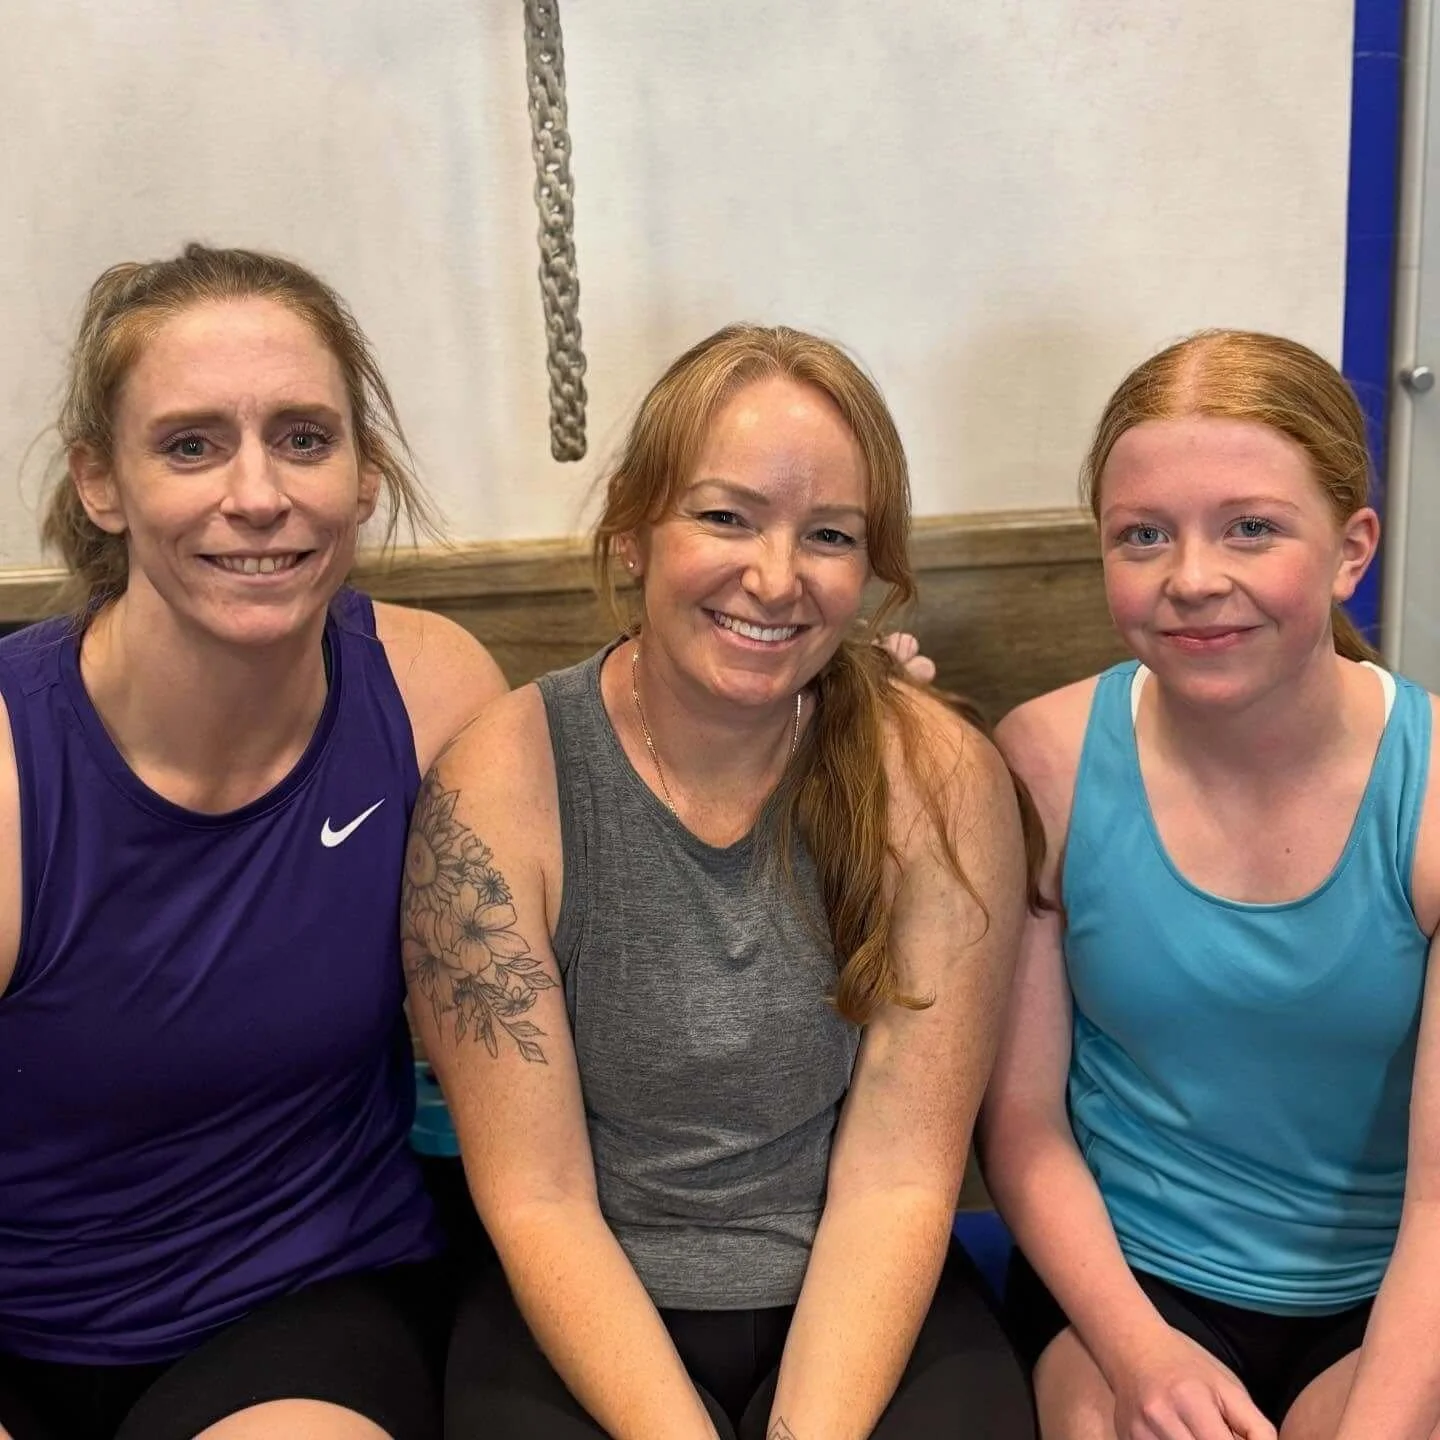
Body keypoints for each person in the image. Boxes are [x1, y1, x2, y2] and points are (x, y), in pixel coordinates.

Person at [406, 323, 1037, 1439]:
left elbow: (898, 1176)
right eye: (725, 516)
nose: (777, 576)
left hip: (863, 1296)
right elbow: (536, 1198)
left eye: (829, 534)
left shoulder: (935, 775)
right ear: (635, 531)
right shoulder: (501, 782)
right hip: (586, 1305)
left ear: (871, 571)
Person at [0, 244, 508, 1440]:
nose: (257, 493)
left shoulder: (433, 694)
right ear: (100, 483)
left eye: (301, 436)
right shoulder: (12, 767)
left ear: (364, 472)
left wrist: (822, 722)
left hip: (303, 1308)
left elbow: (591, 918)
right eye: (190, 444)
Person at [978, 330, 1440, 1440]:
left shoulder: (1428, 800)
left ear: (1350, 549)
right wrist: (1141, 1356)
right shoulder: (1046, 758)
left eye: (1251, 528)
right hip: (1126, 1284)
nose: (1192, 578)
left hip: (1386, 1298)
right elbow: (1026, 1123)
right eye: (1143, 535)